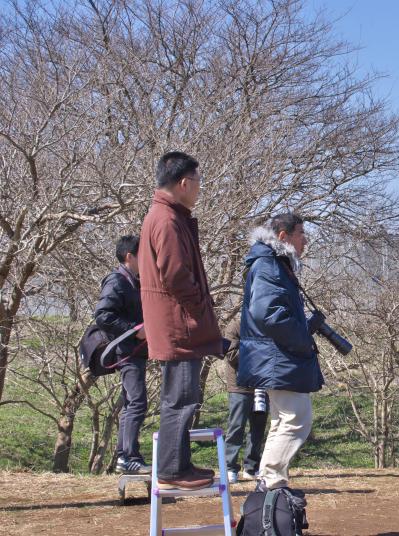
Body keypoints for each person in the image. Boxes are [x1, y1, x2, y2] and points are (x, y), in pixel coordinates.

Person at [138, 151, 222, 490]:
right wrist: (200, 306)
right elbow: (174, 276)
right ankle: (172, 469)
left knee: (182, 397)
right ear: (184, 182)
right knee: (180, 399)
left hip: (176, 323)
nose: (200, 188)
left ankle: (180, 463)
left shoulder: (165, 215)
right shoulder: (167, 219)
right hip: (178, 325)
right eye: (198, 181)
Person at [237, 213, 324, 491]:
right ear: (284, 237)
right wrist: (301, 340)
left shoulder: (272, 264)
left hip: (276, 356)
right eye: (301, 234)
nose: (306, 241)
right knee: (297, 418)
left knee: (283, 421)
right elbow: (268, 314)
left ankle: (271, 481)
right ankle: (270, 480)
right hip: (279, 356)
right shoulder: (268, 265)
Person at [94, 235, 150, 475]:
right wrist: (135, 331)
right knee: (137, 402)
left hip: (134, 351)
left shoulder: (132, 281)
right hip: (126, 351)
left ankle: (123, 456)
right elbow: (103, 315)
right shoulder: (117, 281)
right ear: (130, 256)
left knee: (130, 404)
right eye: (142, 254)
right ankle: (129, 456)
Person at [222, 314, 268, 484]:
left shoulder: (265, 327)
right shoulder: (234, 327)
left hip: (262, 385)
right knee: (236, 427)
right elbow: (232, 355)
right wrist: (258, 351)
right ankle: (230, 468)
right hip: (239, 387)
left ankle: (251, 467)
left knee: (258, 429)